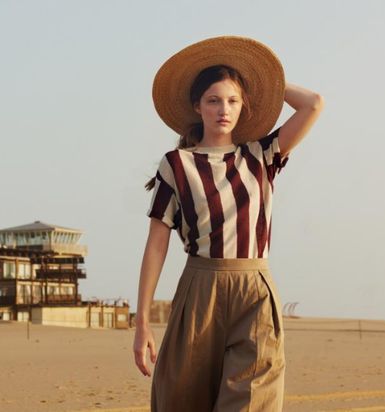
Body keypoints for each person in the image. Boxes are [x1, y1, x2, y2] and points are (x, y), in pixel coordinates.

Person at [133, 36, 324, 411]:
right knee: (182, 400)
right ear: (197, 106)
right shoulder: (177, 165)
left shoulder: (261, 156)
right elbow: (156, 245)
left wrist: (265, 79)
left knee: (252, 401)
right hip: (199, 290)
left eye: (233, 100)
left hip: (254, 292)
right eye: (214, 100)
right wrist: (142, 322)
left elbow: (313, 104)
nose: (224, 109)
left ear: (243, 106)